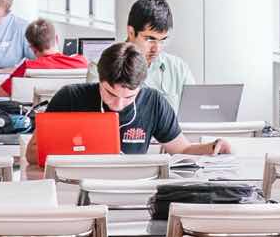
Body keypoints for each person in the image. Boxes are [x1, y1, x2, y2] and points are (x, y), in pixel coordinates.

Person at [25, 43, 231, 164]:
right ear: (99, 79)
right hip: (75, 183)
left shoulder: (154, 102)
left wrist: (212, 147)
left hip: (131, 187)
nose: (118, 104)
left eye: (129, 97)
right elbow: (32, 154)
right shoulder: (69, 97)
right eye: (110, 93)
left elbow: (181, 149)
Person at [89, 0, 196, 109]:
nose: (156, 49)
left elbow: (194, 111)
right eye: (150, 39)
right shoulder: (100, 67)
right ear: (131, 32)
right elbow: (97, 115)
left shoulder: (179, 68)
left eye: (162, 40)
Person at [0, 18, 88, 97]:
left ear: (32, 48)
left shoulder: (27, 67)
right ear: (56, 38)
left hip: (35, 116)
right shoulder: (81, 62)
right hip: (72, 116)